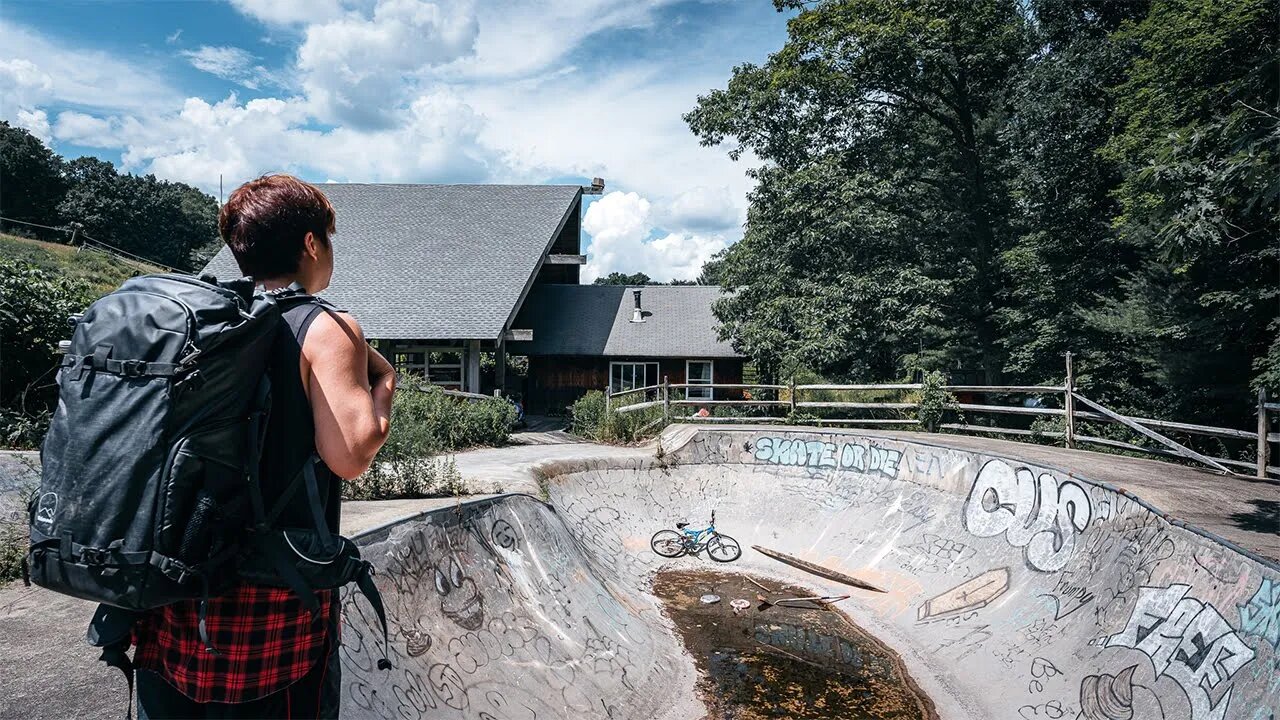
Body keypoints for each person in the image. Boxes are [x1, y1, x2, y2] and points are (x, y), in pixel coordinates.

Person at [131, 174, 397, 719]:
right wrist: (385, 384)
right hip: (274, 606)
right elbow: (351, 455)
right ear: (310, 243)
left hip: (175, 587)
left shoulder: (195, 321)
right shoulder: (325, 326)